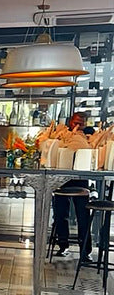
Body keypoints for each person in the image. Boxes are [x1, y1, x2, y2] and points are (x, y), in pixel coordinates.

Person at [52, 111, 96, 259]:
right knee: (60, 213)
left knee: (83, 215)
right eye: (76, 122)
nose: (78, 125)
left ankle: (85, 250)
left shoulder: (89, 135)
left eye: (81, 123)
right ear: (71, 121)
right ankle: (62, 245)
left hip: (80, 178)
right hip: (62, 177)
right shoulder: (63, 134)